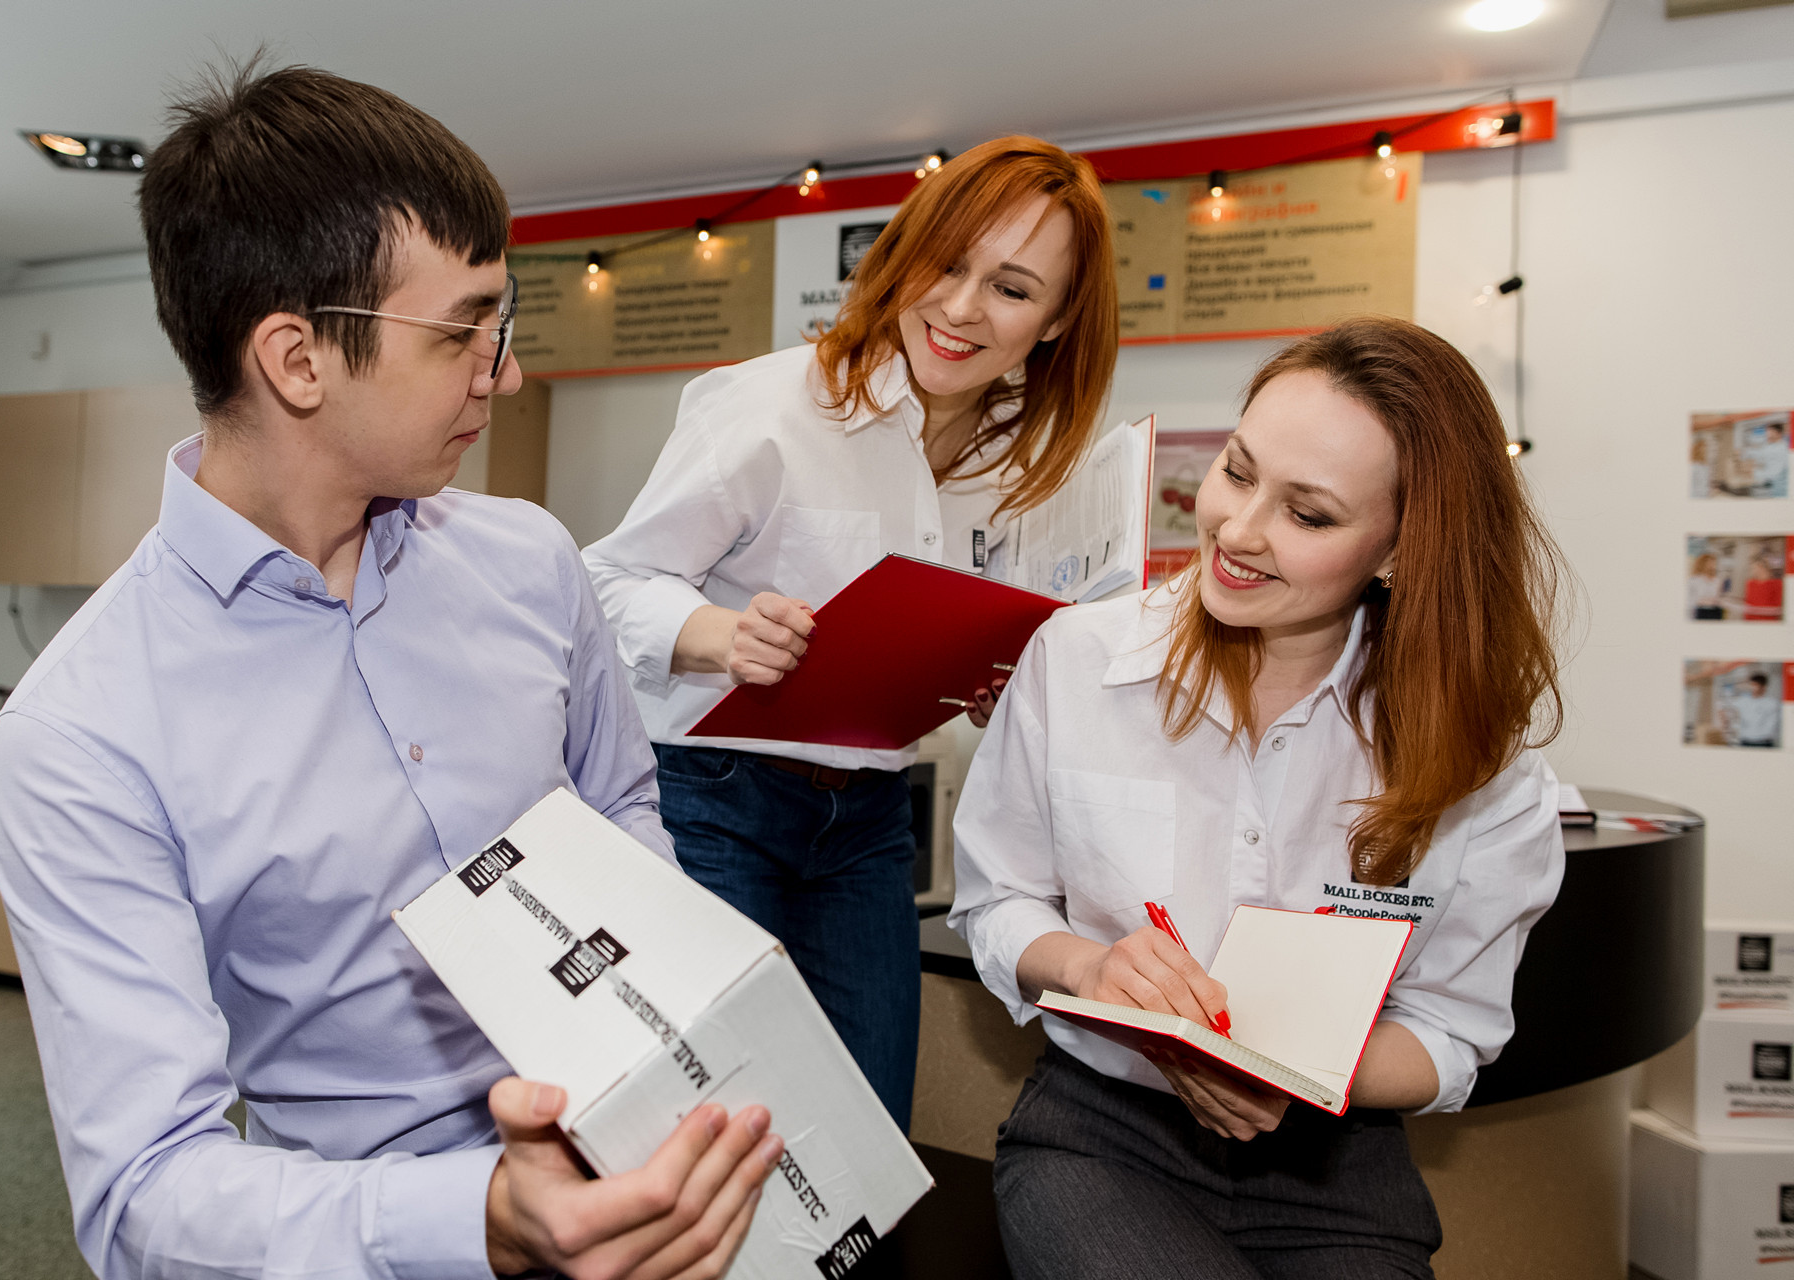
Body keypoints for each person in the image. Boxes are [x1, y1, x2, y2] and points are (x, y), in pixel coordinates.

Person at [0, 63, 779, 1280]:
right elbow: (146, 1190)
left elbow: (619, 804)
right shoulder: (85, 728)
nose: (502, 371)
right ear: (297, 360)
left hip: (652, 1167)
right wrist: (482, 1219)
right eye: (463, 329)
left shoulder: (531, 560)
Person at [950, 315, 1567, 1278]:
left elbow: (1450, 1034)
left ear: (1403, 546)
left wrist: (1287, 1064)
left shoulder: (1479, 764)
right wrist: (1087, 968)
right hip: (1104, 1138)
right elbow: (997, 901)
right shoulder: (1078, 660)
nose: (1237, 532)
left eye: (1308, 515)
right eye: (1237, 472)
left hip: (1337, 1164)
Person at [581, 136, 1119, 1129]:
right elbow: (606, 579)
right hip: (713, 798)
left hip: (873, 819)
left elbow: (965, 643)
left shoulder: (1019, 466)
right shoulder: (771, 404)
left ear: (1053, 324)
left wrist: (994, 673)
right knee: (717, 1120)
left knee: (863, 1128)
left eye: (1009, 288)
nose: (959, 308)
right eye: (945, 263)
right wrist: (715, 631)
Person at [1727, 671, 1781, 747]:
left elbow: (1772, 725)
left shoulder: (1772, 703)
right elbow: (1726, 707)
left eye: (1755, 685)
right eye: (1751, 685)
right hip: (1745, 742)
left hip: (1764, 743)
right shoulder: (1742, 701)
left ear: (1763, 687)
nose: (1752, 688)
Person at [1742, 549, 1784, 622]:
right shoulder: (1750, 583)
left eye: (1754, 568)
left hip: (1768, 622)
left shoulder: (1777, 583)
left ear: (1762, 567)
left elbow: (1778, 606)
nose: (1753, 571)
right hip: (1751, 621)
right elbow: (1748, 604)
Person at [1689, 550, 1725, 620]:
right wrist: (1705, 601)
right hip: (1701, 611)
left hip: (1716, 611)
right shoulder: (1694, 580)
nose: (1713, 565)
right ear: (1702, 564)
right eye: (1710, 563)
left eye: (1714, 563)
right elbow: (1690, 599)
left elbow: (1718, 597)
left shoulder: (1717, 580)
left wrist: (1720, 601)